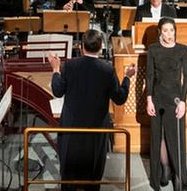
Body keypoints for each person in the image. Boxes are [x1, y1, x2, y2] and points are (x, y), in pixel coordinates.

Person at [49, 30, 135, 191]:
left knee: (69, 176)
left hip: (71, 129)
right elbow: (120, 98)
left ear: (81, 47)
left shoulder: (69, 65)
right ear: (101, 47)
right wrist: (127, 77)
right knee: (93, 177)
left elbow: (58, 91)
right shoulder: (107, 70)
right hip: (96, 131)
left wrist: (55, 69)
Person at [145, 17, 187, 191]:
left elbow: (186, 78)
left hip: (175, 99)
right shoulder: (153, 50)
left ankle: (179, 175)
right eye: (165, 31)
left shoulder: (182, 50)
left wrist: (184, 102)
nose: (169, 34)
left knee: (176, 137)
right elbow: (149, 76)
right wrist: (149, 99)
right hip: (157, 98)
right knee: (160, 136)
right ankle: (165, 169)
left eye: (171, 30)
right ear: (160, 32)